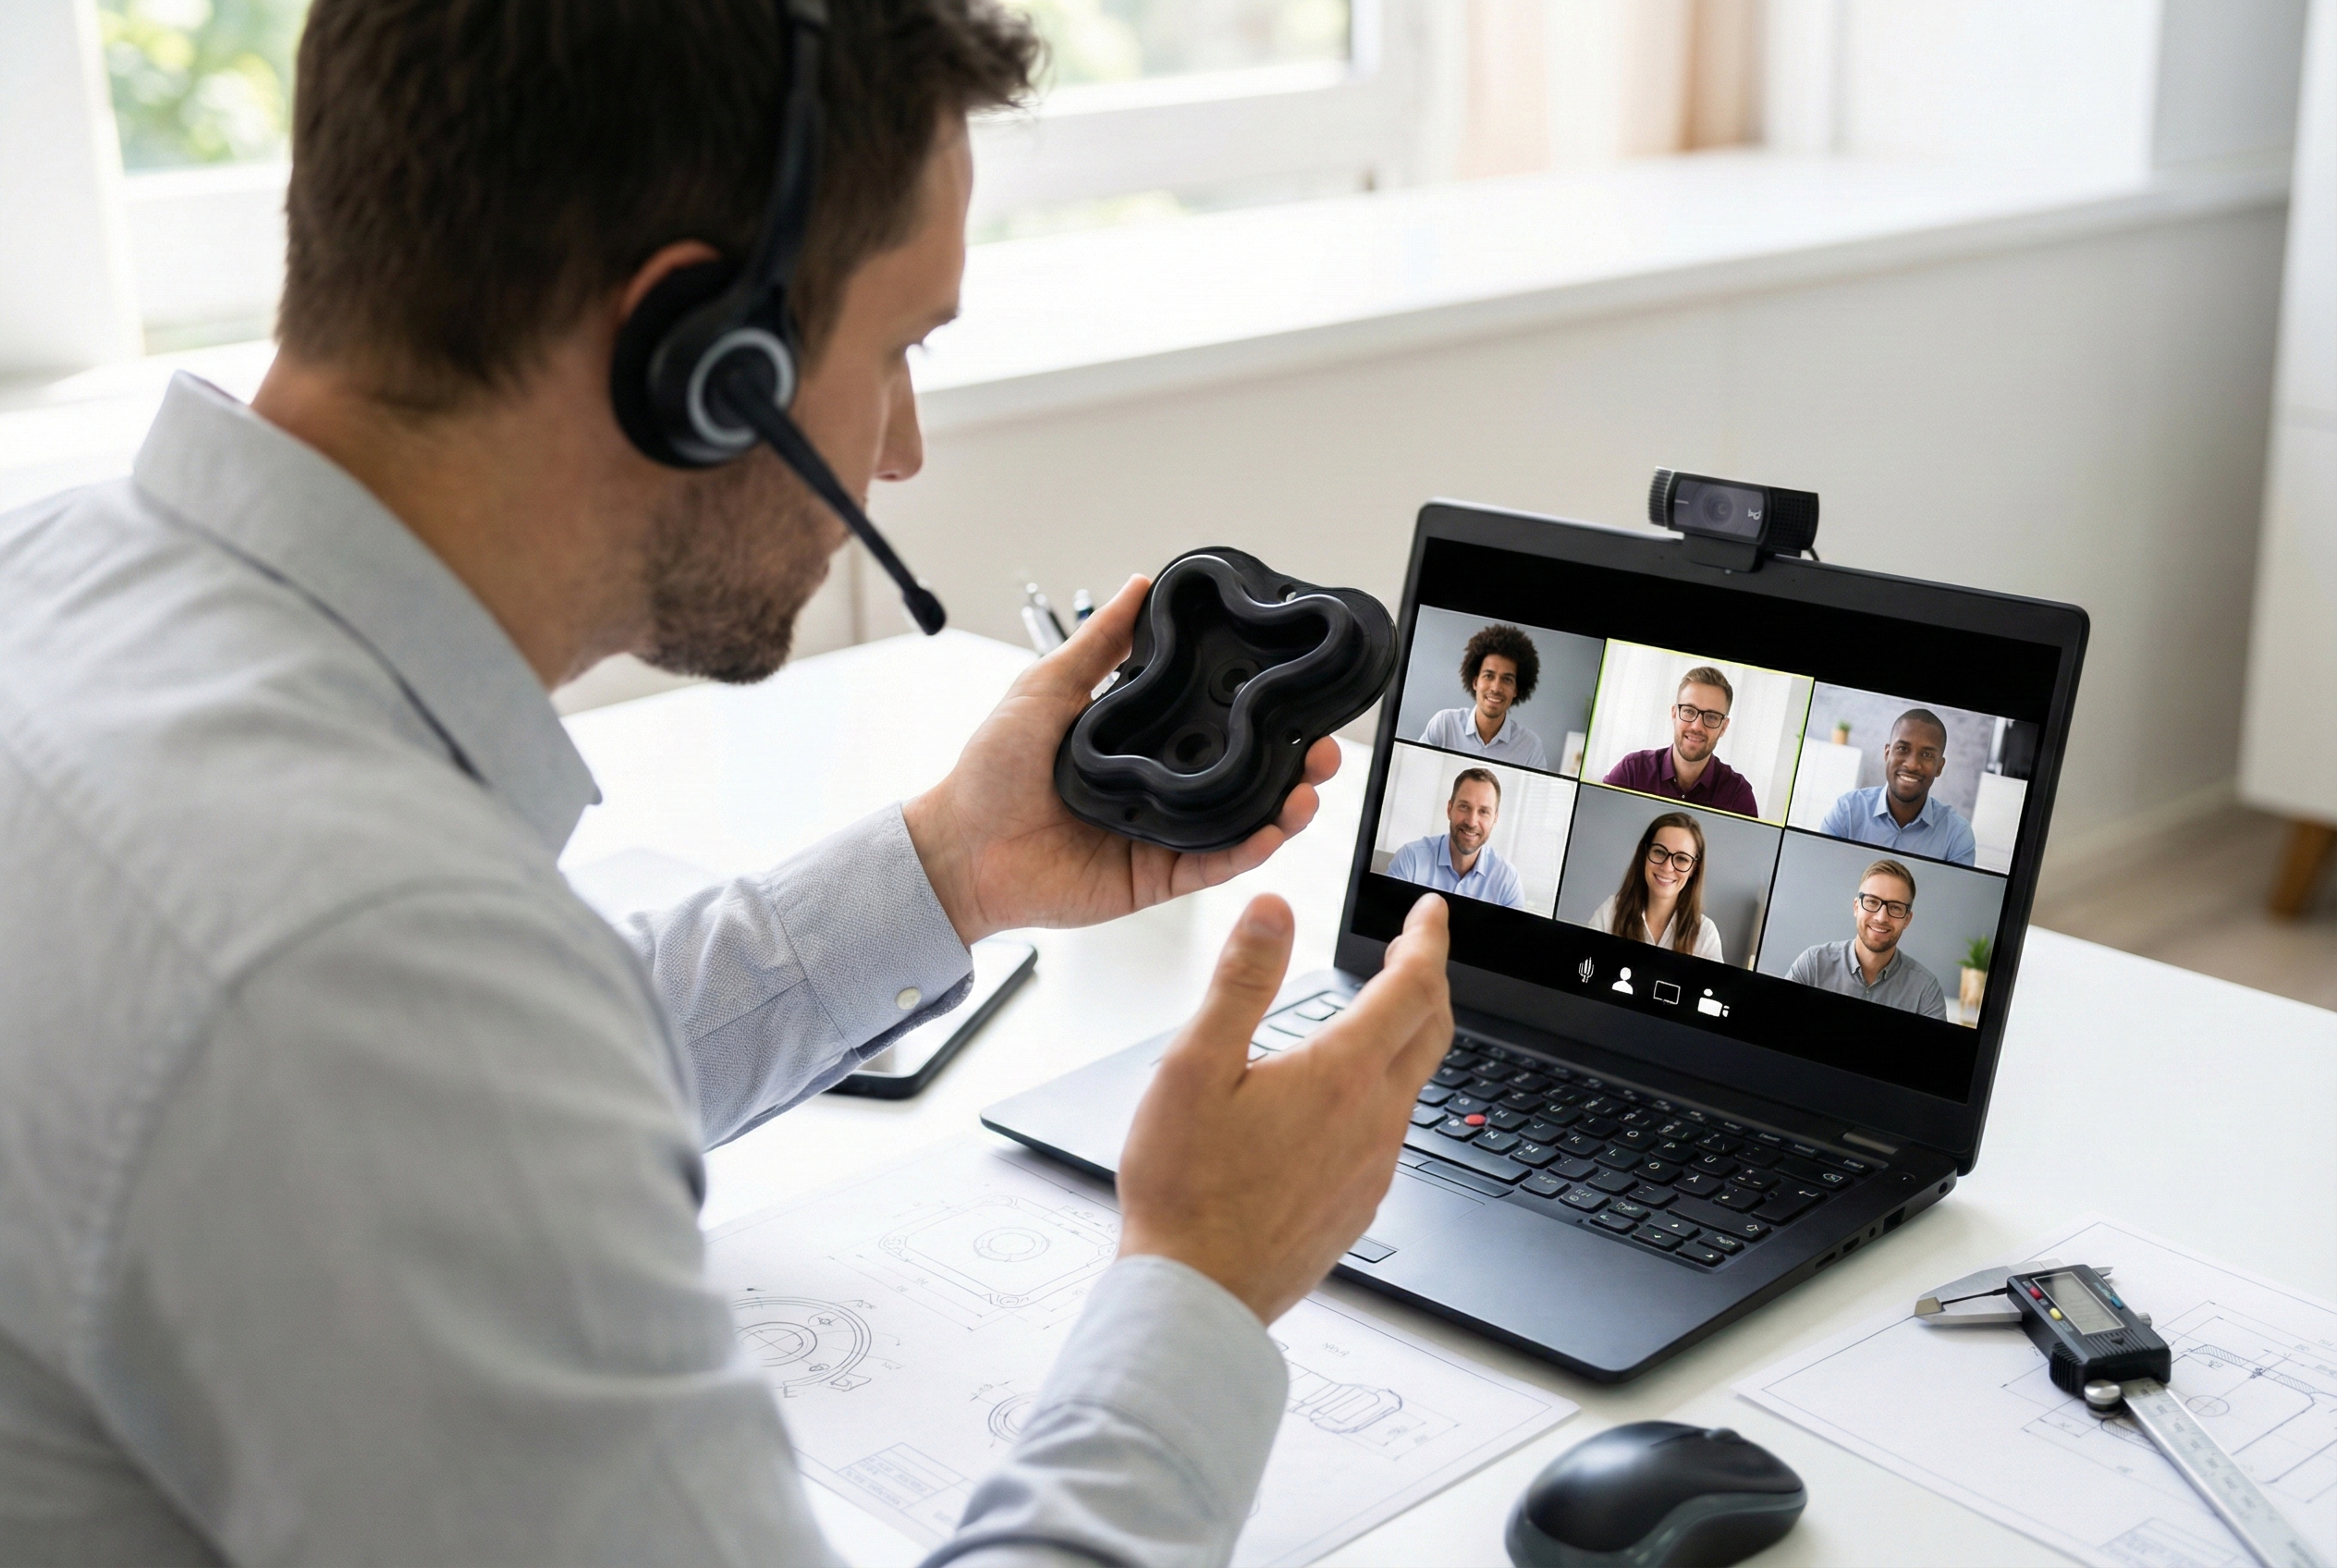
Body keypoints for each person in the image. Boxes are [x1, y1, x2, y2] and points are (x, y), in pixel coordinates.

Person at [0, 4, 1459, 1562]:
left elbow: (482, 1062)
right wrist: (1201, 1284)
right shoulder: (352, 981)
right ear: (699, 361)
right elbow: (415, 1052)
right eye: (895, 350)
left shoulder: (63, 586)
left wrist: (951, 866)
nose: (898, 453)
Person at [1784, 859, 1948, 1017]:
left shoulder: (1926, 990)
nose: (1881, 917)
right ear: (1856, 907)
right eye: (1872, 902)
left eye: (1895, 907)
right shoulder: (1814, 964)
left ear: (1907, 919)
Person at [1817, 707, 1977, 865]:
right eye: (1902, 749)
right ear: (1887, 753)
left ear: (1939, 767)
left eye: (1927, 755)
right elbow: (1819, 872)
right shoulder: (1847, 812)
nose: (1912, 764)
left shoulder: (1957, 835)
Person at [1603, 665, 1760, 817]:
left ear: (1724, 727)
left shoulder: (1738, 796)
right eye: (1689, 711)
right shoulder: (1633, 772)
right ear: (1674, 714)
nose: (1697, 726)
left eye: (1711, 717)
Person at [1585, 811, 1726, 962]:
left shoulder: (1705, 934)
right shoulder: (1611, 911)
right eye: (1659, 852)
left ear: (1694, 869)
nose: (1667, 867)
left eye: (1681, 859)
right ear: (1645, 854)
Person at [1386, 767, 1526, 908]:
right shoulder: (1411, 859)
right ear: (1449, 809)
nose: (1471, 822)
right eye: (1464, 807)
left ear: (1495, 819)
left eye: (1483, 811)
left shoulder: (1507, 881)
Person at [1419, 622, 1548, 770]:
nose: (1496, 688)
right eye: (1488, 676)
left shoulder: (1530, 747)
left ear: (1516, 690)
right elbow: (1416, 776)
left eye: (1507, 679)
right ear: (1475, 682)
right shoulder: (1444, 726)